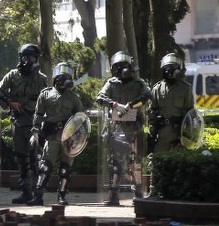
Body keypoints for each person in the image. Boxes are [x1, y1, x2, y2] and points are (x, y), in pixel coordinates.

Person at [26, 63, 86, 206]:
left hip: (68, 138)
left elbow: (81, 117)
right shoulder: (46, 94)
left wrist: (79, 138)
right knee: (45, 166)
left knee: (65, 169)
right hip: (52, 136)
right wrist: (35, 131)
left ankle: (62, 195)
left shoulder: (74, 97)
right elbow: (38, 114)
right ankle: (38, 195)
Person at [96, 51, 151, 205]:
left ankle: (138, 194)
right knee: (115, 163)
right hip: (116, 128)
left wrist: (131, 106)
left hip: (133, 128)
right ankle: (113, 195)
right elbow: (100, 97)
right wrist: (114, 104)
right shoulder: (112, 83)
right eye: (119, 66)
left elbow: (147, 96)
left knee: (135, 163)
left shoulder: (138, 83)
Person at [0, 44, 48, 204]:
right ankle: (25, 191)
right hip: (18, 123)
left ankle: (37, 192)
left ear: (36, 59)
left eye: (31, 57)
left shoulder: (42, 78)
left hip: (34, 124)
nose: (28, 60)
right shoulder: (12, 75)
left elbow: (46, 100)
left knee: (34, 158)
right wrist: (10, 102)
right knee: (21, 158)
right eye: (25, 57)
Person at [146, 53, 195, 198]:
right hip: (163, 132)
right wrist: (153, 124)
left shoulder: (185, 88)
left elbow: (190, 112)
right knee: (156, 160)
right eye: (167, 67)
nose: (169, 70)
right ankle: (154, 190)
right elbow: (151, 109)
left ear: (178, 69)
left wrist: (187, 133)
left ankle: (180, 191)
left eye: (172, 67)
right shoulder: (157, 88)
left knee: (181, 162)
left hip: (180, 132)